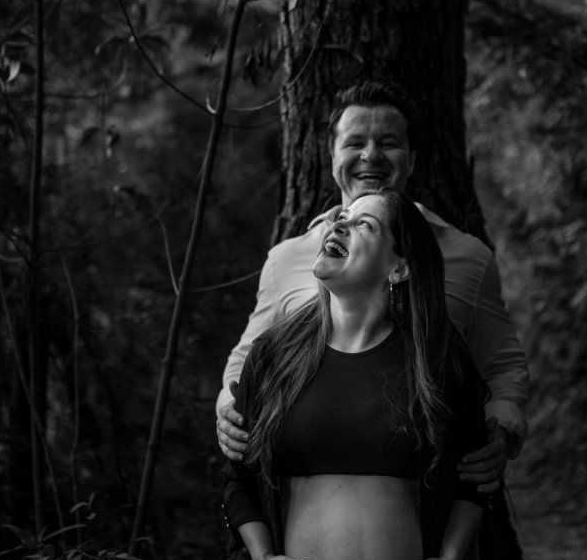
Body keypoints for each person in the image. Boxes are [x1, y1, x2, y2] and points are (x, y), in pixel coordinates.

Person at [216, 79, 530, 492]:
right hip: (307, 482)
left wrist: (499, 426)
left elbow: (502, 364)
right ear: (332, 157)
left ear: (412, 160)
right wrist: (230, 410)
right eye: (354, 142)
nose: (370, 155)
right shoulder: (287, 258)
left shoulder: (470, 256)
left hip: (436, 485)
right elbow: (248, 357)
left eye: (388, 142)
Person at [222, 188, 489, 560]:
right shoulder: (273, 355)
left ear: (399, 267)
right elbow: (238, 478)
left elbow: (474, 479)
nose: (339, 224)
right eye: (342, 217)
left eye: (364, 224)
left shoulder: (436, 358)